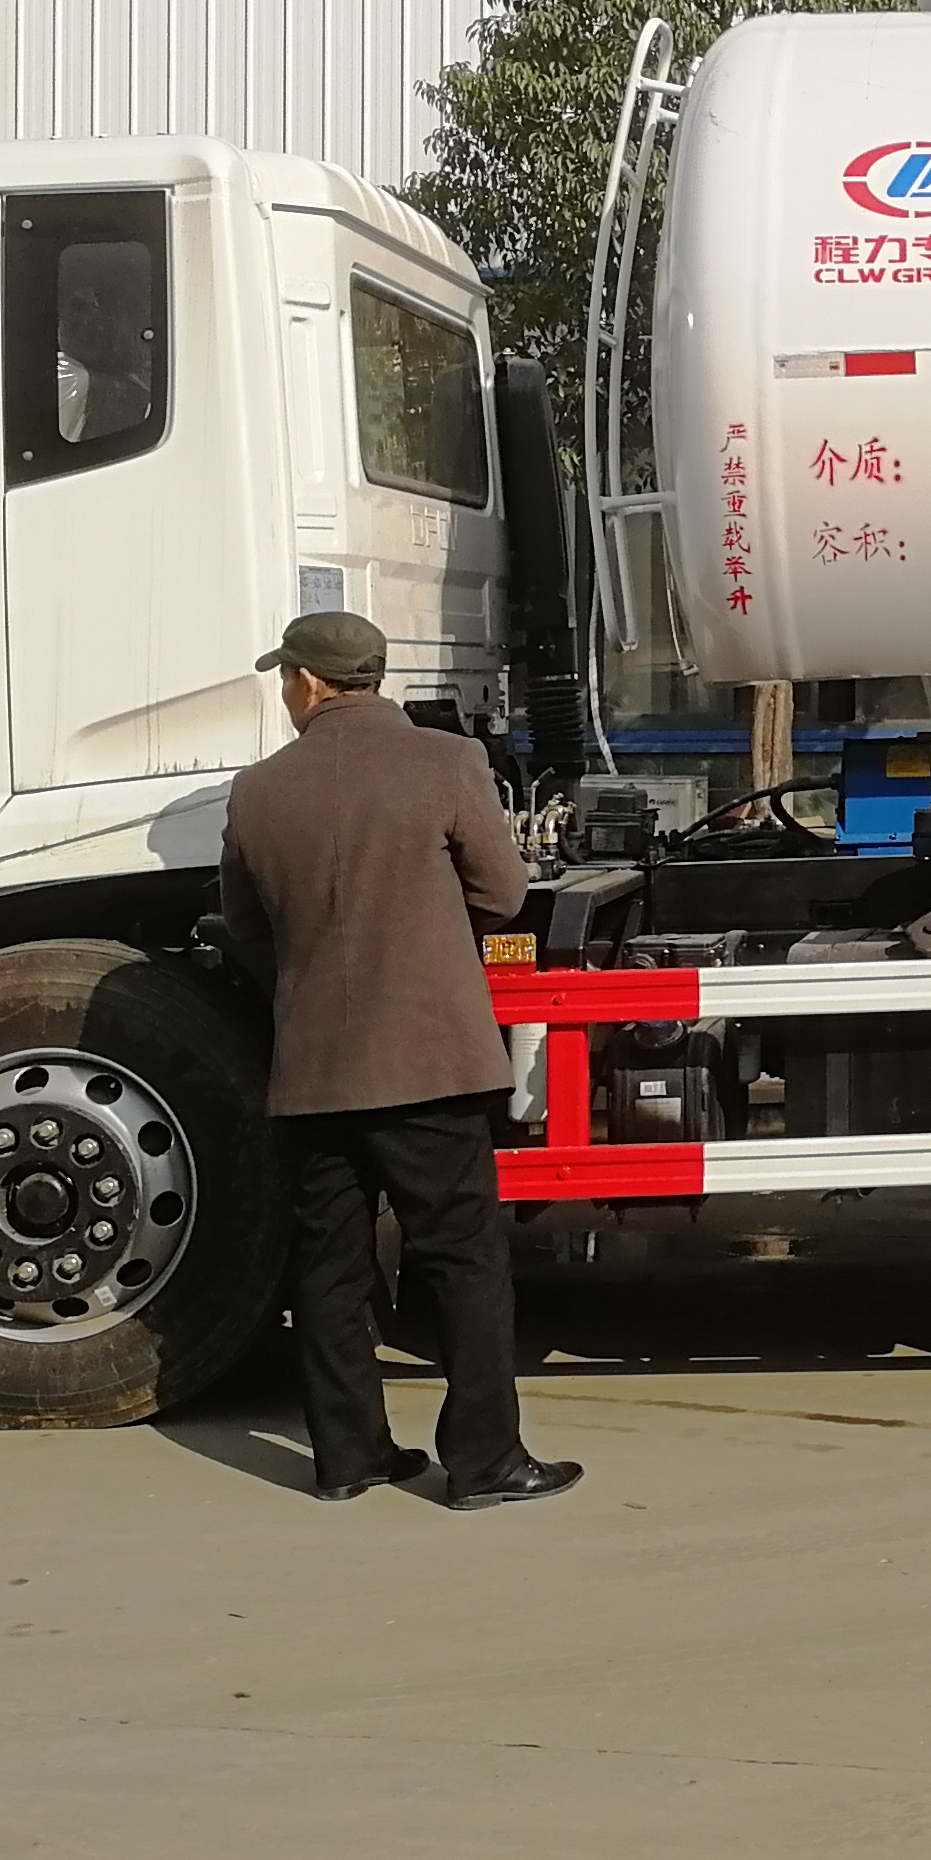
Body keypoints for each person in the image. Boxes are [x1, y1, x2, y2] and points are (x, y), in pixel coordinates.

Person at [218, 611, 578, 1510]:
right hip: (429, 1060)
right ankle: (485, 1462)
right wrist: (427, 940)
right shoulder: (447, 763)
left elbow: (247, 930)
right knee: (461, 1258)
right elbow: (502, 891)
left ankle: (348, 1456)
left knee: (331, 1265)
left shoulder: (258, 790)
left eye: (285, 678)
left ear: (309, 682)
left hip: (313, 1067)